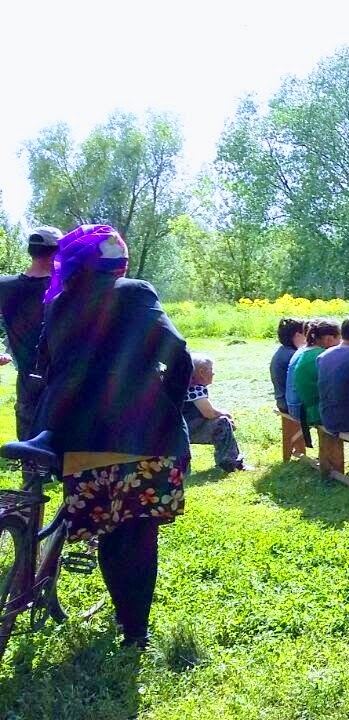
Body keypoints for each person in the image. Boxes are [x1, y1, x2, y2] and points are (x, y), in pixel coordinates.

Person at [34, 224, 190, 648]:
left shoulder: (61, 303)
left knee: (108, 529)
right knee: (138, 533)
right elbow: (177, 351)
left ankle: (125, 619)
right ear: (116, 262)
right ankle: (134, 632)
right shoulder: (134, 291)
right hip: (142, 438)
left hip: (79, 439)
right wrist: (170, 405)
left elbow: (48, 366)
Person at [0, 224, 60, 489]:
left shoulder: (6, 286)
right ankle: (73, 525)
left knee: (30, 459)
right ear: (56, 254)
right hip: (64, 382)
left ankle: (26, 525)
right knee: (76, 462)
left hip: (28, 382)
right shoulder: (64, 288)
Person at [185, 354, 248, 472]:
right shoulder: (195, 388)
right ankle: (231, 463)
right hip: (187, 430)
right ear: (202, 372)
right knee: (223, 423)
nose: (213, 373)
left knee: (222, 422)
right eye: (211, 370)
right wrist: (226, 414)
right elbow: (209, 413)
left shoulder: (185, 385)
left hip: (182, 429)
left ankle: (229, 462)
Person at [292, 318, 340, 436]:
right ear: (329, 339)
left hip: (310, 409)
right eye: (339, 338)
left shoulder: (307, 353)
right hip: (318, 412)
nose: (341, 342)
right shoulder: (323, 356)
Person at [270, 317, 305, 414]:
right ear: (298, 336)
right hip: (289, 405)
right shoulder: (294, 356)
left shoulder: (283, 350)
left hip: (282, 401)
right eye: (306, 333)